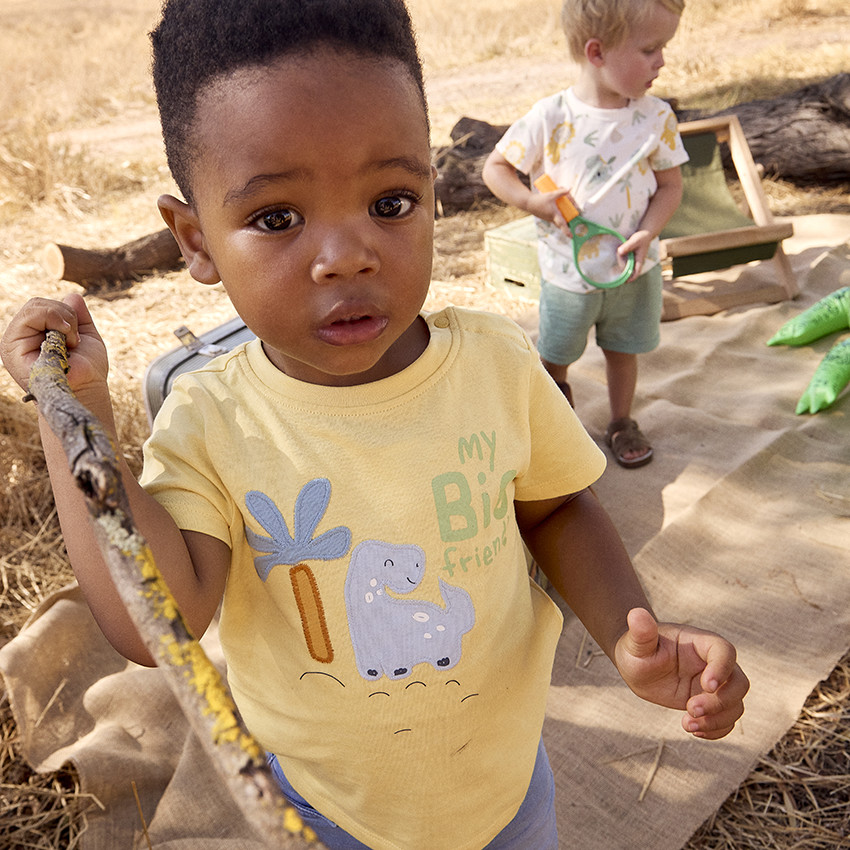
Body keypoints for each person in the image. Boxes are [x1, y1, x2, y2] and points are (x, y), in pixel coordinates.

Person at [0, 1, 748, 848]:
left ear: (432, 191)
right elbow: (153, 624)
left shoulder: (497, 366)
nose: (347, 254)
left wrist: (628, 635)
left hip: (508, 789)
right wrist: (80, 415)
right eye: (278, 218)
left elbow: (556, 509)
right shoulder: (211, 421)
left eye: (391, 201)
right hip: (333, 815)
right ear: (195, 240)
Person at [482, 0, 689, 469]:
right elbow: (495, 168)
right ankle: (558, 420)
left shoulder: (655, 119)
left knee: (623, 351)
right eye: (650, 48)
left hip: (633, 269)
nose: (662, 61)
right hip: (567, 275)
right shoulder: (550, 117)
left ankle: (621, 421)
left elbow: (671, 186)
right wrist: (532, 202)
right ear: (596, 52)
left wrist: (648, 232)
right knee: (556, 356)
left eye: (664, 47)